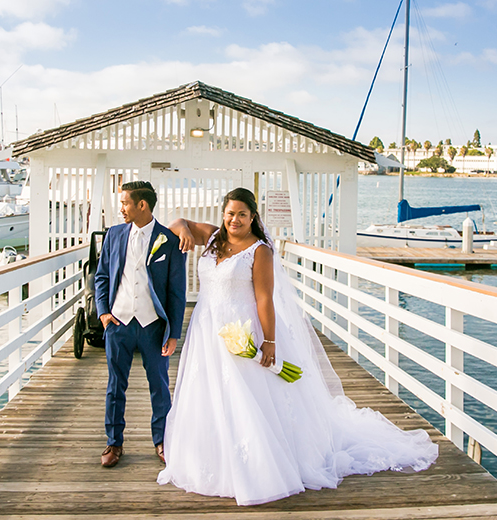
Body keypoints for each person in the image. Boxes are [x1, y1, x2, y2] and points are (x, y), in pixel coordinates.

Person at [157, 187, 438, 505]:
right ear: (222, 214)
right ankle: (211, 457)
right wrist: (180, 225)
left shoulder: (259, 250)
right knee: (209, 392)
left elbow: (264, 299)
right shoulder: (212, 239)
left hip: (244, 328)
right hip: (207, 329)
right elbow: (178, 223)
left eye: (242, 214)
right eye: (230, 213)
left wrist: (269, 342)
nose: (235, 219)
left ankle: (258, 465)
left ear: (253, 217)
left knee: (247, 395)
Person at [94, 180, 186, 468]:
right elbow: (101, 277)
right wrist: (103, 314)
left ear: (141, 205)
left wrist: (173, 332)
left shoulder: (168, 241)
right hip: (118, 324)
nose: (121, 208)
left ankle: (162, 441)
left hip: (153, 325)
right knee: (114, 386)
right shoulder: (113, 235)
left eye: (124, 203)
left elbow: (176, 291)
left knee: (159, 386)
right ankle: (114, 443)